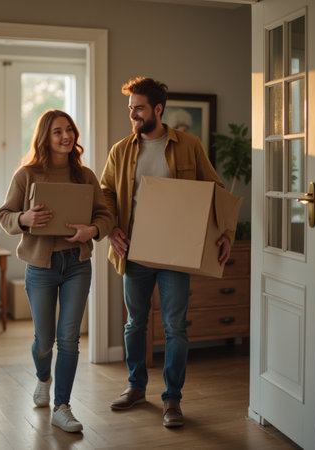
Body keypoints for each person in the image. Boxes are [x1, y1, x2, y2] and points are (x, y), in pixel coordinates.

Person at [100, 77, 233, 428]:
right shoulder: (121, 151)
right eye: (130, 108)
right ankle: (135, 388)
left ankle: (172, 399)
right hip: (135, 252)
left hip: (176, 254)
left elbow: (215, 189)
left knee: (175, 327)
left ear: (158, 110)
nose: (133, 114)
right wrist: (112, 228)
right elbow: (106, 194)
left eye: (139, 108)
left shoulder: (188, 146)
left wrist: (226, 234)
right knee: (135, 324)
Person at [0, 109, 113, 433]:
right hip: (41, 267)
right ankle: (42, 377)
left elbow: (105, 216)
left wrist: (92, 230)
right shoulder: (26, 174)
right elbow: (4, 214)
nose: (66, 136)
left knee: (69, 339)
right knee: (44, 340)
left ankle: (62, 406)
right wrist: (24, 219)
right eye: (57, 131)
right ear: (45, 137)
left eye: (70, 130)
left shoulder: (85, 176)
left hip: (77, 264)